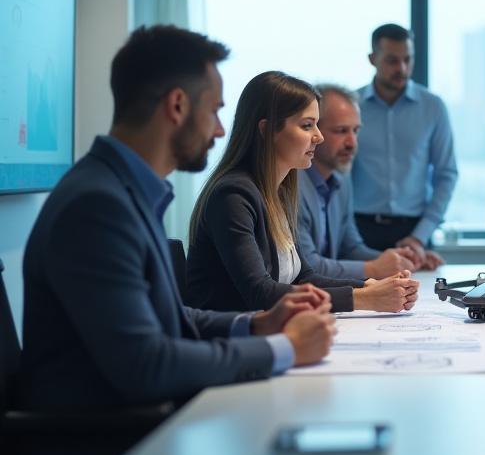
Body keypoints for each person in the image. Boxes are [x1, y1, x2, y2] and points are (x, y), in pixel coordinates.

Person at [20, 26, 337, 415]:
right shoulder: (97, 206)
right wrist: (284, 348)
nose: (221, 129)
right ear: (177, 106)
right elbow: (147, 364)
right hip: (108, 445)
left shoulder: (120, 190)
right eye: (215, 111)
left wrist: (257, 326)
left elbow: (168, 315)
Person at [185, 71, 419, 314]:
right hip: (226, 341)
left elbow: (304, 277)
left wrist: (372, 286)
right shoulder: (233, 196)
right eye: (307, 125)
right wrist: (364, 298)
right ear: (267, 130)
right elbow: (260, 293)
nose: (318, 137)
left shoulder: (279, 192)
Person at [352, 23, 457, 270]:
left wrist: (420, 236)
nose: (401, 68)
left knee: (419, 304)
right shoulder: (351, 107)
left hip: (414, 232)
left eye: (407, 59)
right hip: (359, 231)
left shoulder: (433, 107)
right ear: (372, 59)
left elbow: (447, 174)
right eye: (391, 60)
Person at [298, 83, 419, 280]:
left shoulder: (341, 178)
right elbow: (306, 265)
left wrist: (399, 260)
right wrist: (373, 269)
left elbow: (351, 248)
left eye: (355, 130)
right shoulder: (290, 184)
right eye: (340, 131)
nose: (352, 143)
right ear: (314, 131)